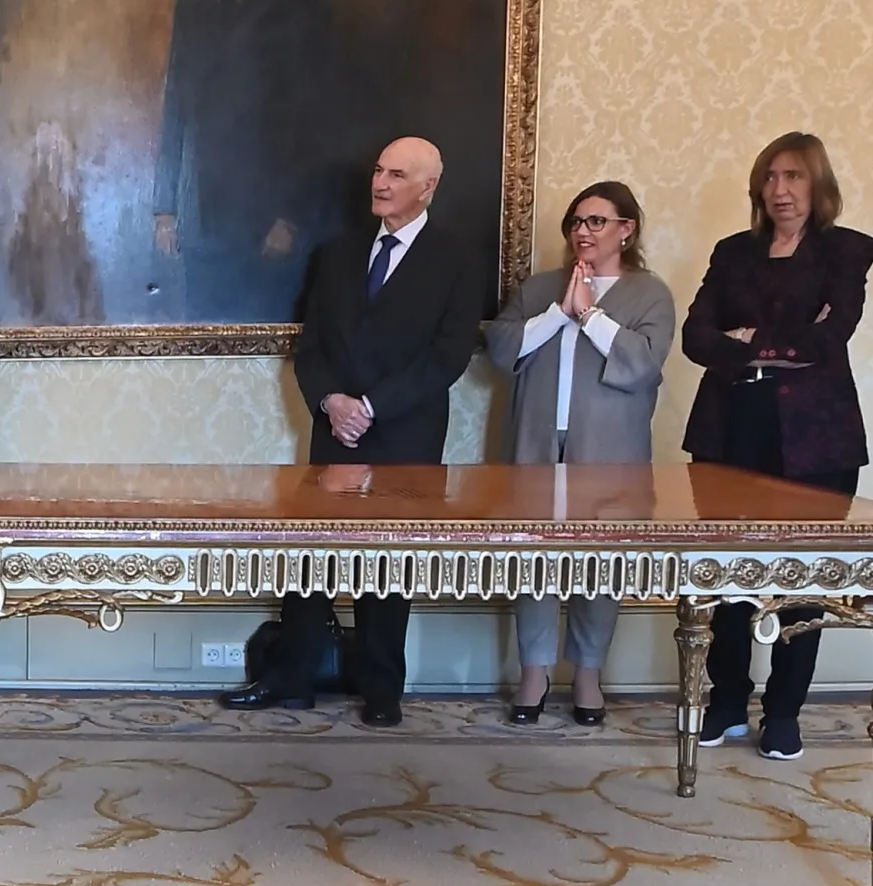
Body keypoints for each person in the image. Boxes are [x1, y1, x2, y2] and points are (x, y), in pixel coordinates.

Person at [221, 137, 482, 726]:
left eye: (397, 174)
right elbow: (311, 346)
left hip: (405, 435)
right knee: (310, 560)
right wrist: (332, 401)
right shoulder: (338, 253)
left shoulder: (456, 260)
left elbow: (447, 357)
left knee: (389, 567)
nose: (380, 183)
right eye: (379, 170)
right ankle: (290, 678)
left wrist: (370, 406)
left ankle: (382, 688)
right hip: (333, 430)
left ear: (428, 187)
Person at [682, 132, 873, 761]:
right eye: (770, 177)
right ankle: (727, 700)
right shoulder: (733, 251)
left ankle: (784, 711)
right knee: (726, 573)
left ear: (818, 185)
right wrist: (778, 339)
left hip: (815, 437)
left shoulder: (847, 249)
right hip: (731, 428)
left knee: (803, 577)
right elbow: (696, 336)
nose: (780, 190)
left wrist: (747, 339)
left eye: (794, 176)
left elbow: (831, 334)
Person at [484, 182, 674, 726]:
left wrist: (591, 316)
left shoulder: (649, 293)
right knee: (534, 558)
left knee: (600, 562)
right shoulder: (542, 286)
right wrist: (559, 313)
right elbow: (501, 347)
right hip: (537, 442)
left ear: (626, 229)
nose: (582, 232)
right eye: (576, 222)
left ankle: (589, 673)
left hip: (610, 449)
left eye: (596, 221)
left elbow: (644, 364)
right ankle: (535, 672)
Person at [152, 0, 339, 323]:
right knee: (204, 335)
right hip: (201, 220)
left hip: (269, 224)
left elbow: (316, 124)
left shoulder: (302, 6)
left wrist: (291, 217)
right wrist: (165, 208)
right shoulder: (191, 7)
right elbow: (176, 106)